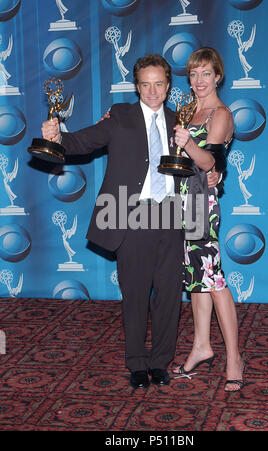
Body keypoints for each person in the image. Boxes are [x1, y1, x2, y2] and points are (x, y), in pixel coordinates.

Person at [41, 53, 219, 390]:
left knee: (168, 295)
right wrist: (57, 136)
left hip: (171, 217)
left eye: (159, 84)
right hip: (131, 215)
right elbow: (82, 141)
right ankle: (137, 363)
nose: (152, 91)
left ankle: (160, 361)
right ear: (136, 87)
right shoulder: (120, 116)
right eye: (145, 85)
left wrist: (216, 171)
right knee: (135, 294)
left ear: (168, 87)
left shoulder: (180, 120)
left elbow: (202, 160)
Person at [172, 47, 245, 392]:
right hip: (182, 202)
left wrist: (186, 144)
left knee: (213, 280)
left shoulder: (220, 114)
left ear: (218, 77)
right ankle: (202, 345)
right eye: (194, 74)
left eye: (206, 74)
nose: (199, 81)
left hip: (202, 203)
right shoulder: (189, 110)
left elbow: (208, 164)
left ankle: (234, 358)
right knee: (195, 278)